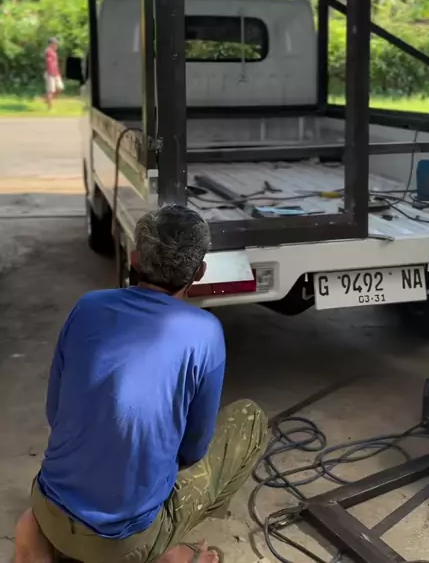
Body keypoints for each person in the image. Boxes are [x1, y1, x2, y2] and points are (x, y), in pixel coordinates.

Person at [14, 205, 268, 563]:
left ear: (134, 258)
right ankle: (164, 548)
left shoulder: (87, 307)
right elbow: (193, 450)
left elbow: (55, 413)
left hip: (48, 509)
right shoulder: (205, 332)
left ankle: (44, 540)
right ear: (200, 272)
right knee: (249, 419)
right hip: (121, 541)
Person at [44, 37, 64, 110]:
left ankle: (47, 99)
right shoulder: (48, 51)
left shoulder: (54, 52)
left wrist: (57, 73)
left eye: (57, 43)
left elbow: (55, 64)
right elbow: (49, 63)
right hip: (51, 73)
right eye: (55, 43)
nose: (57, 45)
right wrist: (51, 73)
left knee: (60, 88)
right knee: (51, 91)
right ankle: (50, 108)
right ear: (51, 44)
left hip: (56, 73)